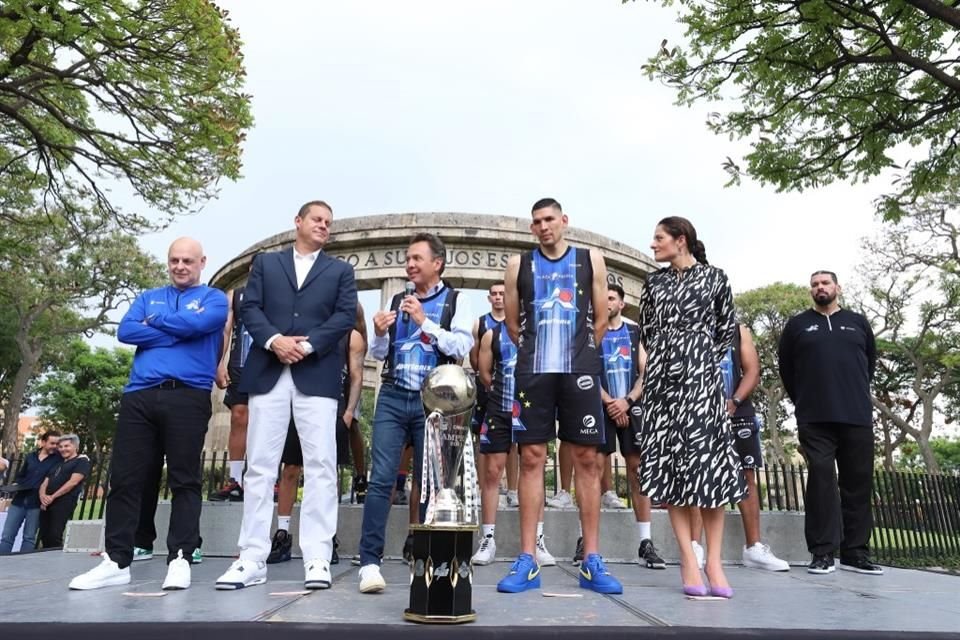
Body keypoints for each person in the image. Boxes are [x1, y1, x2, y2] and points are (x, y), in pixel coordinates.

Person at [69, 237, 227, 591]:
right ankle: (117, 560)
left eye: (188, 260)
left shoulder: (214, 298)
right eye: (174, 260)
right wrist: (179, 327)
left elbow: (198, 327)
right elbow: (126, 330)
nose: (180, 266)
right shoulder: (147, 296)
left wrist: (156, 325)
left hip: (187, 394)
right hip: (139, 394)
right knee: (125, 479)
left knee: (184, 479)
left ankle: (181, 556)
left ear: (202, 262)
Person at [216, 200, 357, 591]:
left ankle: (316, 556)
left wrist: (308, 346)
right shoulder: (266, 264)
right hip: (269, 371)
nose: (324, 226)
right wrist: (276, 341)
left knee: (322, 465)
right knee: (260, 465)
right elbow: (251, 309)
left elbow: (344, 317)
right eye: (317, 219)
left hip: (317, 374)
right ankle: (251, 557)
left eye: (329, 222)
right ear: (298, 221)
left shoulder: (340, 271)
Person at [498, 198, 621, 595]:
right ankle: (528, 559)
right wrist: (538, 352)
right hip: (534, 369)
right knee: (531, 458)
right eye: (536, 222)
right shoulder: (520, 264)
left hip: (579, 370)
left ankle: (592, 560)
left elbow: (600, 319)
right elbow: (514, 324)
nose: (543, 226)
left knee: (587, 458)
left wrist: (581, 353)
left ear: (564, 221)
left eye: (550, 219)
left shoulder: (591, 260)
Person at [357, 232, 473, 594]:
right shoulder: (397, 298)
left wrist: (424, 321)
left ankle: (424, 562)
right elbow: (380, 353)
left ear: (437, 263)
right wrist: (378, 334)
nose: (409, 264)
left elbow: (461, 345)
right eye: (408, 258)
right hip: (393, 394)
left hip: (433, 402)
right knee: (381, 480)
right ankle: (369, 563)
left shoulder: (455, 299)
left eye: (416, 258)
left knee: (431, 486)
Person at [635, 217, 744, 598]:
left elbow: (725, 329)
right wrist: (668, 358)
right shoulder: (654, 282)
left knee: (709, 470)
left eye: (659, 238)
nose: (653, 244)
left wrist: (696, 359)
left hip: (702, 380)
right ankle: (687, 557)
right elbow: (646, 329)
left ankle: (714, 560)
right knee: (673, 470)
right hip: (663, 382)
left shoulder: (715, 278)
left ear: (680, 241)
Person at [778, 270, 881, 576]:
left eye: (825, 283)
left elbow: (869, 365)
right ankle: (822, 553)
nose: (819, 288)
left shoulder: (858, 323)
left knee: (857, 483)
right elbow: (787, 370)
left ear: (838, 287)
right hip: (815, 417)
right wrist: (805, 401)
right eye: (814, 284)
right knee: (821, 478)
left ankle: (855, 552)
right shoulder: (797, 325)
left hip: (857, 416)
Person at [689, 324, 789, 572]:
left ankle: (753, 547)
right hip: (698, 411)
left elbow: (753, 371)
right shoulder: (689, 325)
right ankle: (695, 547)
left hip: (737, 407)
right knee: (698, 473)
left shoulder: (738, 330)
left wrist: (734, 401)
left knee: (746, 474)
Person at [470, 312, 556, 567]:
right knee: (492, 472)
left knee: (534, 469)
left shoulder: (540, 332)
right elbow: (484, 373)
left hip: (532, 407)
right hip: (499, 407)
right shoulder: (491, 335)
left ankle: (537, 540)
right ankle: (487, 539)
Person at [597, 284, 663, 569]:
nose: (607, 302)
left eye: (611, 298)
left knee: (637, 470)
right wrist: (611, 402)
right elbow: (586, 371)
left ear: (622, 304)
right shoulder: (592, 331)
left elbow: (646, 372)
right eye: (604, 298)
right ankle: (586, 542)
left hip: (631, 405)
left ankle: (645, 542)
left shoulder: (635, 331)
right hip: (600, 405)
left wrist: (627, 401)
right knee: (594, 470)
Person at [470, 283, 519, 509]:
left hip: (516, 392)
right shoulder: (481, 323)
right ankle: (484, 487)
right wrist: (488, 384)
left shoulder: (519, 325)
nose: (499, 298)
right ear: (489, 298)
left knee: (514, 441)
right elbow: (476, 358)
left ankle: (512, 489)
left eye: (503, 293)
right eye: (495, 294)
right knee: (485, 440)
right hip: (488, 389)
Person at [211, 275, 255, 502]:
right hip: (240, 364)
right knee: (238, 417)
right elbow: (226, 331)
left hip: (271, 366)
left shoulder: (282, 291)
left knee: (271, 421)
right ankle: (235, 480)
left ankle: (270, 479)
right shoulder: (236, 295)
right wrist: (219, 363)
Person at [0, 431, 61, 554]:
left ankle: (24, 565)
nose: (55, 446)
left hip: (37, 503)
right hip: (19, 500)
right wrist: (17, 484)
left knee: (29, 537)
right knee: (7, 536)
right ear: (43, 442)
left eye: (57, 443)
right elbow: (21, 475)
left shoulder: (58, 459)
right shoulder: (30, 456)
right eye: (52, 443)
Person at [38, 434, 91, 548]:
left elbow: (73, 482)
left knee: (54, 534)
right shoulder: (58, 464)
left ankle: (55, 560)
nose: (63, 449)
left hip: (64, 502)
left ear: (76, 447)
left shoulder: (81, 461)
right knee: (44, 534)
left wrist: (52, 497)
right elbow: (45, 482)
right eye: (60, 446)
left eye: (66, 446)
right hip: (47, 502)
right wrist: (43, 496)